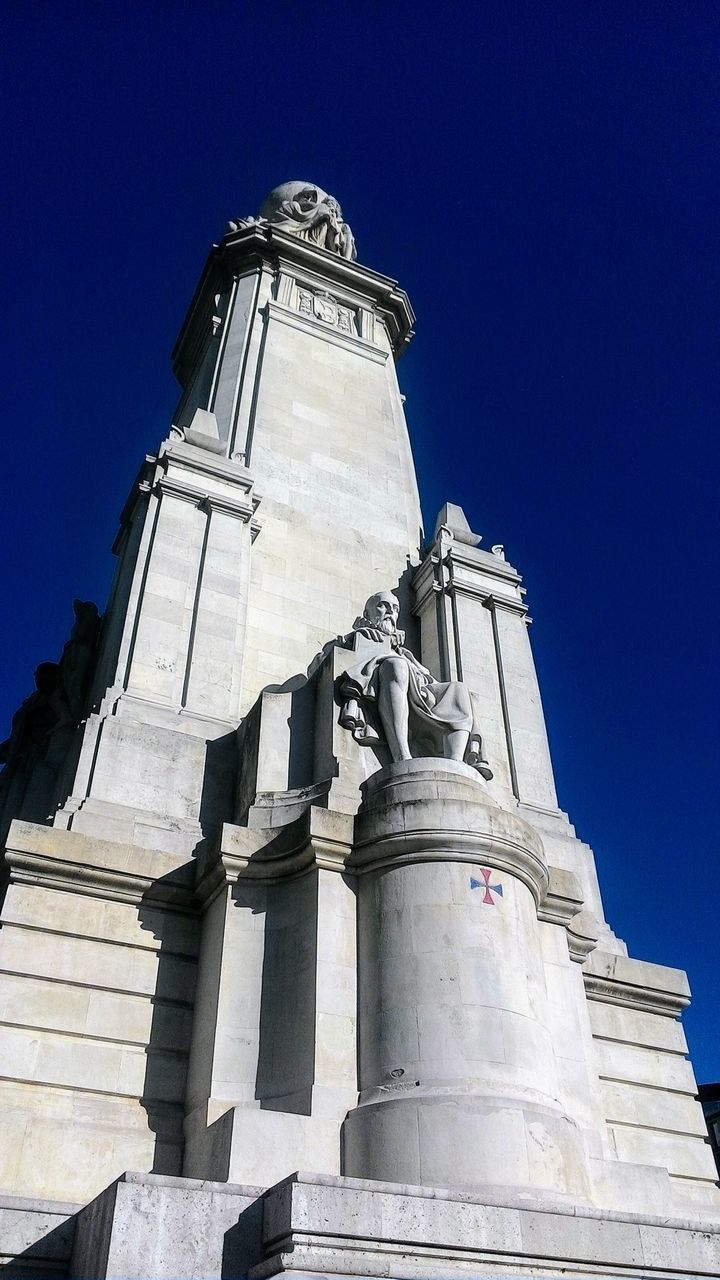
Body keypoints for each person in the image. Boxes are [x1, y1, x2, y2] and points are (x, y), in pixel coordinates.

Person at [339, 590, 492, 777]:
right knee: (396, 665)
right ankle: (402, 756)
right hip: (388, 681)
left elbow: (427, 678)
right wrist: (363, 635)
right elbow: (337, 659)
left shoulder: (404, 652)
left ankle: (455, 765)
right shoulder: (358, 637)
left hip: (419, 690)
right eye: (383, 606)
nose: (389, 612)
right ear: (367, 614)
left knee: (459, 689)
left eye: (394, 609)